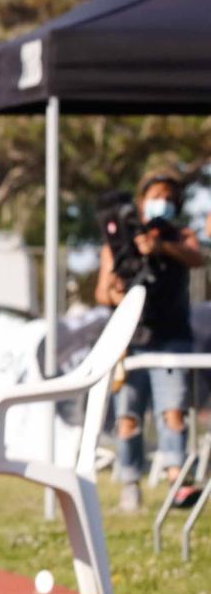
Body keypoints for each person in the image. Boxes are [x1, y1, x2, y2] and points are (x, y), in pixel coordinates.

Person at [98, 166, 203, 511]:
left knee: (173, 412)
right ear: (142, 200)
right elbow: (103, 292)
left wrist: (161, 247)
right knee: (127, 415)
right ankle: (130, 484)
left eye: (169, 199)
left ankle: (178, 483)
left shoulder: (180, 236)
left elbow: (197, 257)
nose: (163, 203)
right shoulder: (120, 243)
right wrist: (120, 296)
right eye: (157, 197)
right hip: (130, 343)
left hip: (171, 339)